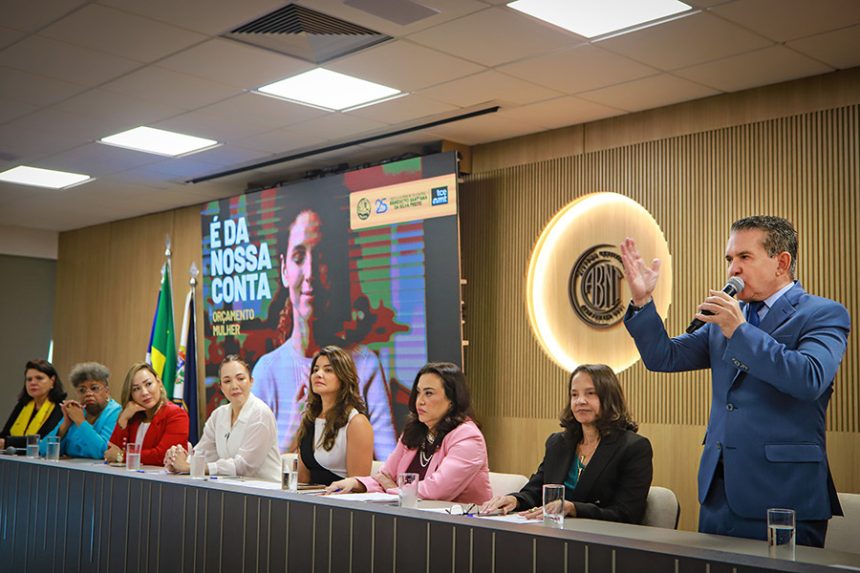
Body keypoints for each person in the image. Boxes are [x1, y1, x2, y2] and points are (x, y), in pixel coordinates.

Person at [620, 215, 850, 547]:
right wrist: (643, 301)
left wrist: (740, 331)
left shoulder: (822, 313)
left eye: (744, 257)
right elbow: (664, 357)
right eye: (730, 258)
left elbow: (809, 377)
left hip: (784, 495)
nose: (732, 270)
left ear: (781, 263)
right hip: (718, 493)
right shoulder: (725, 321)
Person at [251, 204, 396, 457]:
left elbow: (388, 463)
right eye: (299, 257)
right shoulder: (266, 370)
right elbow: (253, 463)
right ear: (284, 270)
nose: (310, 273)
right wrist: (295, 431)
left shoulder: (365, 365)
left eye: (321, 259)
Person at [480, 364, 653, 523]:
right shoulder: (558, 443)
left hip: (600, 539)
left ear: (609, 398)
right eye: (574, 394)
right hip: (554, 533)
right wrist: (515, 500)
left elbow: (627, 513)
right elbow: (537, 489)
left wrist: (574, 508)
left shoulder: (634, 447)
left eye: (590, 393)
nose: (580, 401)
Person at [326, 362, 492, 505]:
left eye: (429, 393)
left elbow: (436, 491)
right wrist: (355, 483)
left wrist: (392, 488)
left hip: (461, 525)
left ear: (452, 400)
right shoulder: (415, 431)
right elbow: (384, 476)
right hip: (415, 516)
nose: (420, 400)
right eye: (418, 392)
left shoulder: (468, 437)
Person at [164, 355, 281, 481]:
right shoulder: (218, 415)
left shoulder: (261, 413)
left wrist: (188, 467)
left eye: (240, 379)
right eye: (227, 381)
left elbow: (244, 467)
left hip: (266, 489)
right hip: (233, 488)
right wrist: (176, 462)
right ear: (221, 387)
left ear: (251, 381)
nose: (234, 386)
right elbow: (203, 453)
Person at [296, 346, 374, 485]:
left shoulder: (356, 422)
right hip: (310, 496)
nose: (318, 374)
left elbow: (357, 485)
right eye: (315, 370)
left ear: (343, 378)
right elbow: (302, 479)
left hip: (338, 498)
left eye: (328, 370)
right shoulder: (309, 419)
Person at [105, 363, 189, 465]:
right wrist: (124, 418)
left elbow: (162, 456)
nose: (144, 392)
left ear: (159, 382)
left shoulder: (176, 414)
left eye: (148, 384)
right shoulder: (134, 415)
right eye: (136, 389)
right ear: (131, 394)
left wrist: (122, 456)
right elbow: (111, 452)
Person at [39, 362, 120, 459]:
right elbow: (43, 450)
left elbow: (103, 453)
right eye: (82, 390)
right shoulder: (76, 411)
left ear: (107, 391)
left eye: (94, 388)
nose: (88, 393)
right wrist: (65, 424)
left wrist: (80, 421)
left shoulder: (115, 412)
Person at [0, 359, 67, 451]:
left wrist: (8, 442)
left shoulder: (60, 407)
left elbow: (44, 440)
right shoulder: (22, 405)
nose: (33, 383)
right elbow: (4, 434)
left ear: (52, 381)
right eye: (29, 379)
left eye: (39, 378)